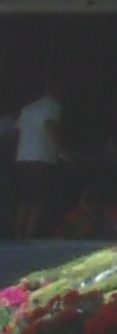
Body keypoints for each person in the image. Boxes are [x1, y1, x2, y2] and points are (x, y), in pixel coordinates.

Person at [8, 87, 62, 238]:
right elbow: (48, 127)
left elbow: (17, 131)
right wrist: (61, 151)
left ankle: (17, 232)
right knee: (38, 199)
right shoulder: (52, 107)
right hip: (41, 156)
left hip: (23, 156)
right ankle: (29, 234)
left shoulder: (27, 109)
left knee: (24, 198)